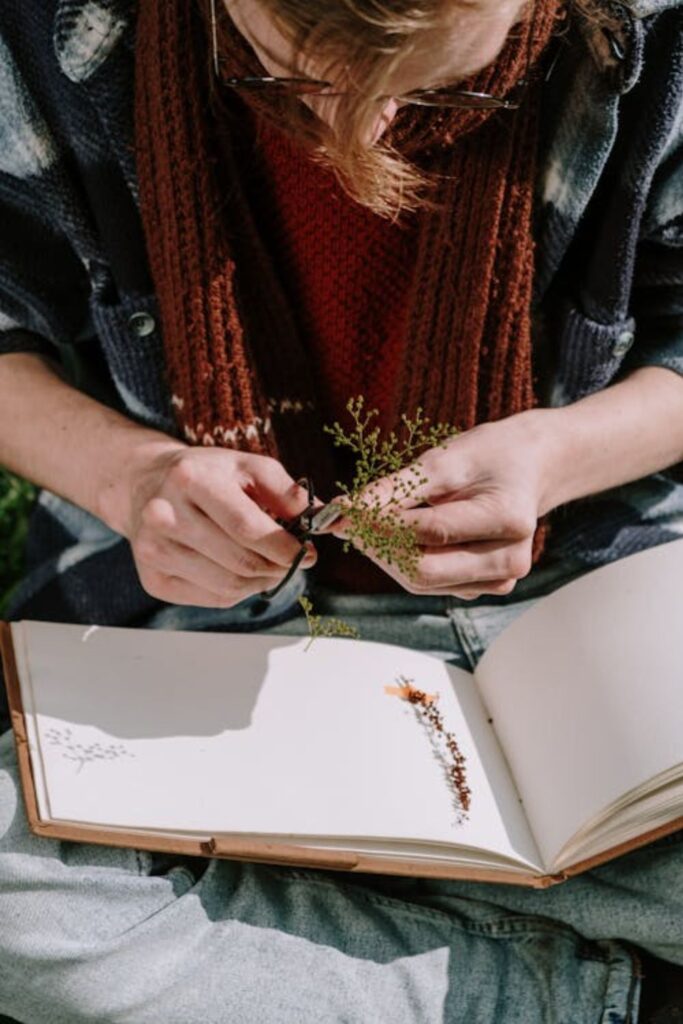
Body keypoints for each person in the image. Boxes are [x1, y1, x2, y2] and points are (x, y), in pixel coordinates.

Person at [0, 0, 682, 1019]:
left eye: (450, 92)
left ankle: (323, 914)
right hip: (214, 635)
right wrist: (129, 477)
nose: (359, 141)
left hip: (590, 597)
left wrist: (556, 454)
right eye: (277, 83)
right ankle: (582, 985)